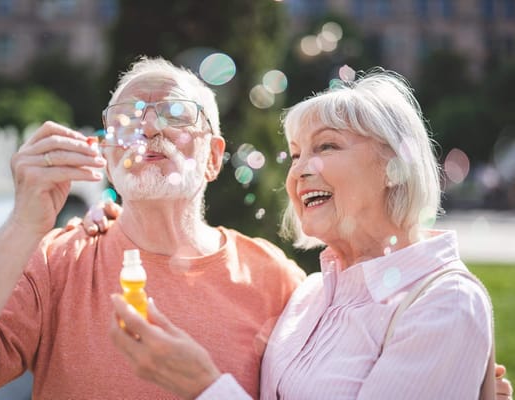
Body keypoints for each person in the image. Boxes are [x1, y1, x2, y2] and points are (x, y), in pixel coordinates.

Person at [107, 68, 513, 399]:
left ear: (394, 165)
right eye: (297, 153)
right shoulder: (308, 294)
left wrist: (205, 387)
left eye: (327, 147)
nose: (300, 170)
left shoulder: (446, 303)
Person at [0, 57, 306, 399]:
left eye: (174, 113)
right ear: (106, 152)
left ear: (214, 157)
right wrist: (23, 224)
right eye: (129, 116)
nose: (149, 127)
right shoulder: (57, 260)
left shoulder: (274, 278)